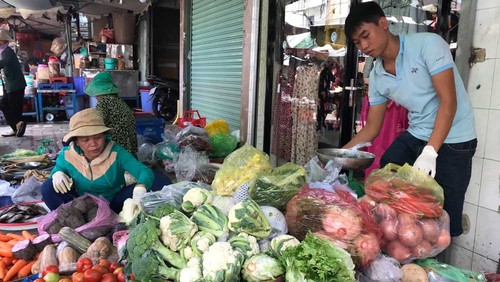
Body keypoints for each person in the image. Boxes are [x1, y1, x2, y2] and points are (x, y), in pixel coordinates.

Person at [343, 2, 477, 237]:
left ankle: (433, 267)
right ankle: (400, 248)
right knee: (386, 179)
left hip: (455, 137)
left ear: (383, 24)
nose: (364, 46)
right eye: (357, 43)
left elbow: (449, 102)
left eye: (366, 36)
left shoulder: (428, 45)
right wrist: (339, 157)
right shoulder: (377, 75)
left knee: (440, 218)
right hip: (418, 133)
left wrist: (430, 152)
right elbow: (372, 128)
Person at [40, 108, 171, 213]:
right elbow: (57, 171)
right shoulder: (67, 155)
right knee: (47, 187)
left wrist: (140, 188)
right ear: (76, 142)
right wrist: (57, 174)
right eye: (85, 140)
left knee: (160, 180)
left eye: (98, 137)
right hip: (80, 206)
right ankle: (72, 221)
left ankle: (111, 218)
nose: (93, 144)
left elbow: (144, 171)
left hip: (113, 204)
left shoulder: (117, 152)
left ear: (104, 136)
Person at [84, 72, 138, 155]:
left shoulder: (104, 102)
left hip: (119, 148)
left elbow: (98, 123)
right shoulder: (117, 100)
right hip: (131, 147)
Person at [0, 30, 27, 137]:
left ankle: (17, 126)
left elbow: (1, 64)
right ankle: (16, 127)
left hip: (15, 85)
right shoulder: (3, 52)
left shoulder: (7, 51)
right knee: (4, 104)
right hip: (9, 85)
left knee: (14, 108)